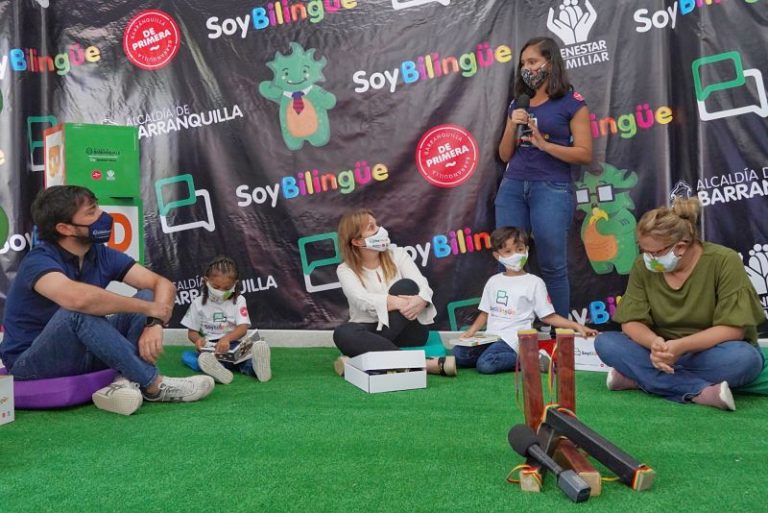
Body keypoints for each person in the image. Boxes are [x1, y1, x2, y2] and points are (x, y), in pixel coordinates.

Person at [0, 186, 214, 416]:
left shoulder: (100, 253)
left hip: (80, 353)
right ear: (65, 228)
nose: (103, 216)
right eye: (91, 213)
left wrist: (154, 322)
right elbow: (77, 299)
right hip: (31, 364)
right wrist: (151, 309)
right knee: (77, 312)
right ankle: (153, 385)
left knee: (145, 294)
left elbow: (161, 284)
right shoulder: (38, 261)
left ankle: (123, 382)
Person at [594, 198, 765, 411]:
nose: (648, 258)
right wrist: (655, 343)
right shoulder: (642, 266)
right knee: (605, 343)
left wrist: (680, 347)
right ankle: (699, 392)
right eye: (643, 250)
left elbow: (734, 329)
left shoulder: (723, 260)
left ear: (681, 247)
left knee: (745, 360)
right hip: (658, 352)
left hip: (709, 353)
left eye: (655, 253)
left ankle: (640, 379)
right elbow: (630, 322)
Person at [496, 36, 592, 318]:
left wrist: (545, 144)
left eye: (533, 61)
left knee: (552, 265)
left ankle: (560, 337)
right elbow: (503, 155)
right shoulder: (518, 103)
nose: (527, 68)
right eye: (524, 63)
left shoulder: (572, 102)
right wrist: (512, 124)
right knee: (509, 262)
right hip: (513, 186)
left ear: (550, 63)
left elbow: (585, 153)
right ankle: (510, 331)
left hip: (551, 188)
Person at [332, 209, 456, 376]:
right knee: (343, 333)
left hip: (410, 330)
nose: (379, 230)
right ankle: (424, 365)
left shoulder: (397, 254)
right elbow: (360, 299)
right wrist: (394, 301)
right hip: (372, 331)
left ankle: (359, 363)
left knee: (406, 286)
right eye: (371, 227)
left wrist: (421, 299)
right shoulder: (345, 269)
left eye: (377, 224)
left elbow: (422, 285)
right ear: (358, 242)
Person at [458, 227, 596, 374]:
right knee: (460, 354)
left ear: (527, 250)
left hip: (514, 340)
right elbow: (485, 313)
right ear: (498, 256)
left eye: (519, 249)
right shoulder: (493, 281)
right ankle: (512, 357)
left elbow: (548, 316)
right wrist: (471, 332)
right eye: (508, 252)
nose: (515, 255)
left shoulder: (534, 283)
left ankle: (530, 358)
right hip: (490, 337)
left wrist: (576, 325)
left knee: (486, 365)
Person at [181, 255, 271, 384]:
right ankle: (220, 371)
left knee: (246, 358)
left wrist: (227, 339)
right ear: (206, 281)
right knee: (187, 356)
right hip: (210, 347)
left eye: (227, 288)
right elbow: (192, 332)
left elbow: (243, 328)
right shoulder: (197, 302)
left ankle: (257, 368)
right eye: (216, 287)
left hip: (234, 344)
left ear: (235, 284)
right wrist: (198, 340)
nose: (221, 291)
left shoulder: (239, 300)